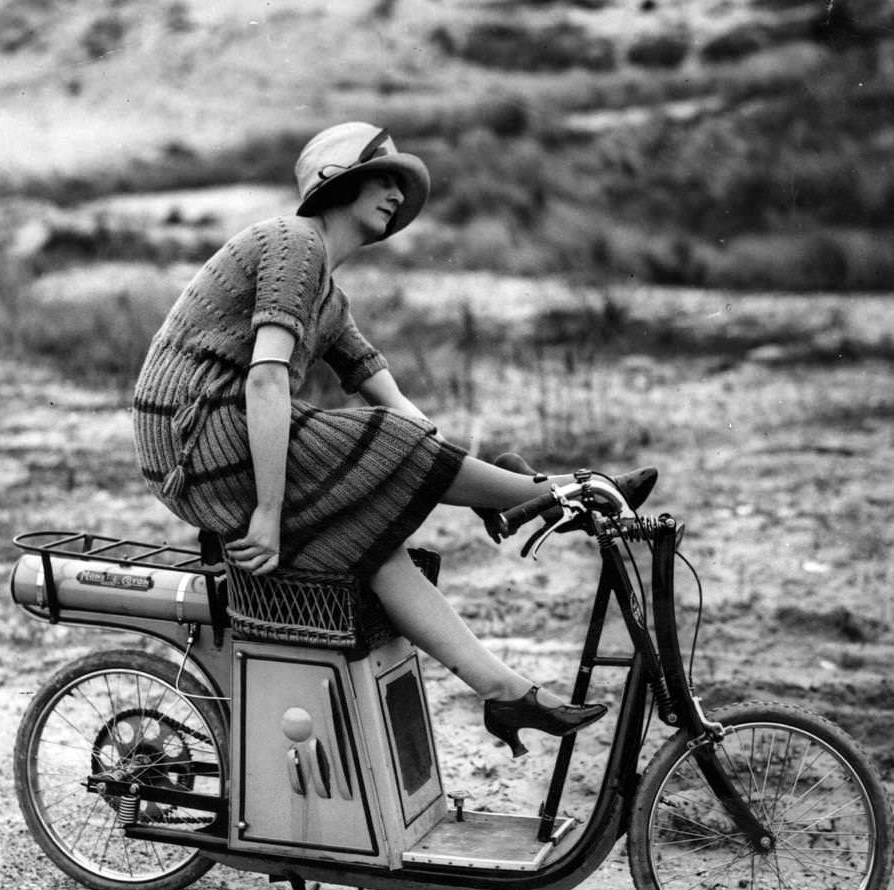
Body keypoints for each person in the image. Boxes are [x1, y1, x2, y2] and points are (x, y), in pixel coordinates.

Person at [132, 121, 654, 755]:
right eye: (383, 179)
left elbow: (394, 400)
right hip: (193, 437)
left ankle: (505, 692)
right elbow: (266, 379)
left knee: (372, 541)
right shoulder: (295, 244)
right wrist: (268, 513)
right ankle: (555, 493)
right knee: (381, 441)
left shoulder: (326, 293)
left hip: (216, 438)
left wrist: (458, 470)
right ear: (337, 183)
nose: (397, 195)